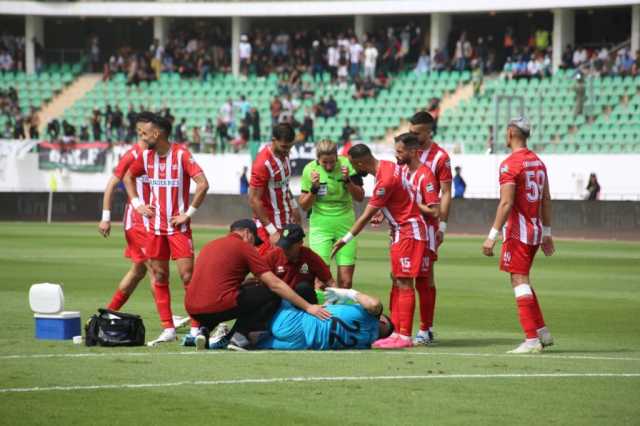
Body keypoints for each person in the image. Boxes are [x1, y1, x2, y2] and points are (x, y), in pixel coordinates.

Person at [331, 143, 430, 349]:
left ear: (361, 162)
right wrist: (384, 210)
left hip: (407, 231)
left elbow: (365, 216)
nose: (353, 169)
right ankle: (398, 332)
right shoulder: (388, 166)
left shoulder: (384, 180)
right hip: (403, 230)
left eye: (353, 164)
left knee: (404, 281)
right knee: (398, 279)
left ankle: (404, 336)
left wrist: (345, 239)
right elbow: (401, 194)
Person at [123, 112, 210, 344]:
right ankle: (168, 328)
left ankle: (195, 327)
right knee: (159, 275)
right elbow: (128, 177)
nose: (142, 137)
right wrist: (137, 204)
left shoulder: (181, 154)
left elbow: (203, 184)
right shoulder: (146, 157)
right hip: (155, 228)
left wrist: (188, 214)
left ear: (157, 133)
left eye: (145, 133)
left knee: (188, 276)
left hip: (178, 228)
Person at [185, 219, 331, 350]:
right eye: (254, 241)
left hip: (193, 308)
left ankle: (204, 331)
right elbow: (274, 285)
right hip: (220, 304)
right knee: (270, 291)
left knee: (234, 294)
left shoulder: (209, 245)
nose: (254, 247)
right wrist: (309, 307)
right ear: (248, 233)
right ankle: (239, 335)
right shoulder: (244, 247)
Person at [482, 117, 555, 354]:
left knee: (518, 280)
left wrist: (492, 235)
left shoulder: (510, 164)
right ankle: (542, 331)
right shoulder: (538, 162)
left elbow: (506, 203)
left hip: (518, 232)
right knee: (523, 278)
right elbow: (546, 199)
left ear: (512, 132)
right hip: (534, 232)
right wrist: (547, 233)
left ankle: (531, 339)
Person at [99, 112, 156, 313]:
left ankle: (109, 312)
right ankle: (168, 322)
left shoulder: (155, 154)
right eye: (150, 130)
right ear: (142, 132)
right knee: (155, 270)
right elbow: (111, 185)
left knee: (138, 270)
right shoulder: (132, 155)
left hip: (150, 221)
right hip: (137, 221)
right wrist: (106, 218)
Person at [408, 111, 452, 344]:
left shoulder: (440, 158)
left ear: (428, 131)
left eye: (416, 133)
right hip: (404, 225)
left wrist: (442, 224)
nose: (412, 136)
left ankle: (426, 328)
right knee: (399, 275)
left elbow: (446, 193)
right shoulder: (408, 150)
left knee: (424, 277)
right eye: (410, 131)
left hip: (427, 226)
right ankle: (402, 327)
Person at [298, 140, 364, 288]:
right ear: (317, 159)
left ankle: (340, 312)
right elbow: (304, 205)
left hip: (346, 225)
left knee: (346, 282)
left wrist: (348, 182)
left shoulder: (347, 165)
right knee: (320, 281)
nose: (328, 166)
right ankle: (322, 311)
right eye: (324, 162)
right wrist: (313, 190)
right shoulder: (309, 169)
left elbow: (360, 197)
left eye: (332, 162)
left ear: (337, 156)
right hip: (321, 226)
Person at [257, 287, 394, 350]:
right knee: (254, 342)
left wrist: (349, 293)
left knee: (273, 289)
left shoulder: (370, 316)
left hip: (295, 320)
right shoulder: (364, 345)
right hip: (300, 343)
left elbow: (374, 304)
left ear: (381, 320)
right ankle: (247, 336)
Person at [248, 122, 301, 255]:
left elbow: (285, 185)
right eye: (284, 146)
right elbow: (254, 200)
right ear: (274, 141)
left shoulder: (285, 154)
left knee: (289, 263)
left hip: (286, 219)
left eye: (290, 147)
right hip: (268, 224)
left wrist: (294, 207)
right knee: (267, 267)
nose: (287, 150)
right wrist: (272, 231)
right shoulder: (262, 163)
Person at [265, 224, 336, 298]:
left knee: (303, 287)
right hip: (280, 299)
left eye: (289, 247)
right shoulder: (273, 256)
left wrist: (336, 299)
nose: (285, 250)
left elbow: (330, 282)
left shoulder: (310, 257)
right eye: (283, 246)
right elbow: (261, 280)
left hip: (305, 300)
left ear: (300, 243)